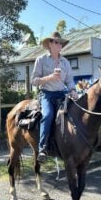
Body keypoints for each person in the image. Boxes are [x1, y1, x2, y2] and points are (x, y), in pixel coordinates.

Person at [31, 32, 78, 163]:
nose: (59, 44)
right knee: (48, 115)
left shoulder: (65, 62)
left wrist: (73, 90)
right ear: (50, 44)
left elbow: (69, 80)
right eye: (56, 42)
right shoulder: (41, 60)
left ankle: (72, 145)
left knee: (75, 115)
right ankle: (43, 149)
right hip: (46, 94)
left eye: (61, 42)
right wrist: (49, 78)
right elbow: (33, 81)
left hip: (62, 94)